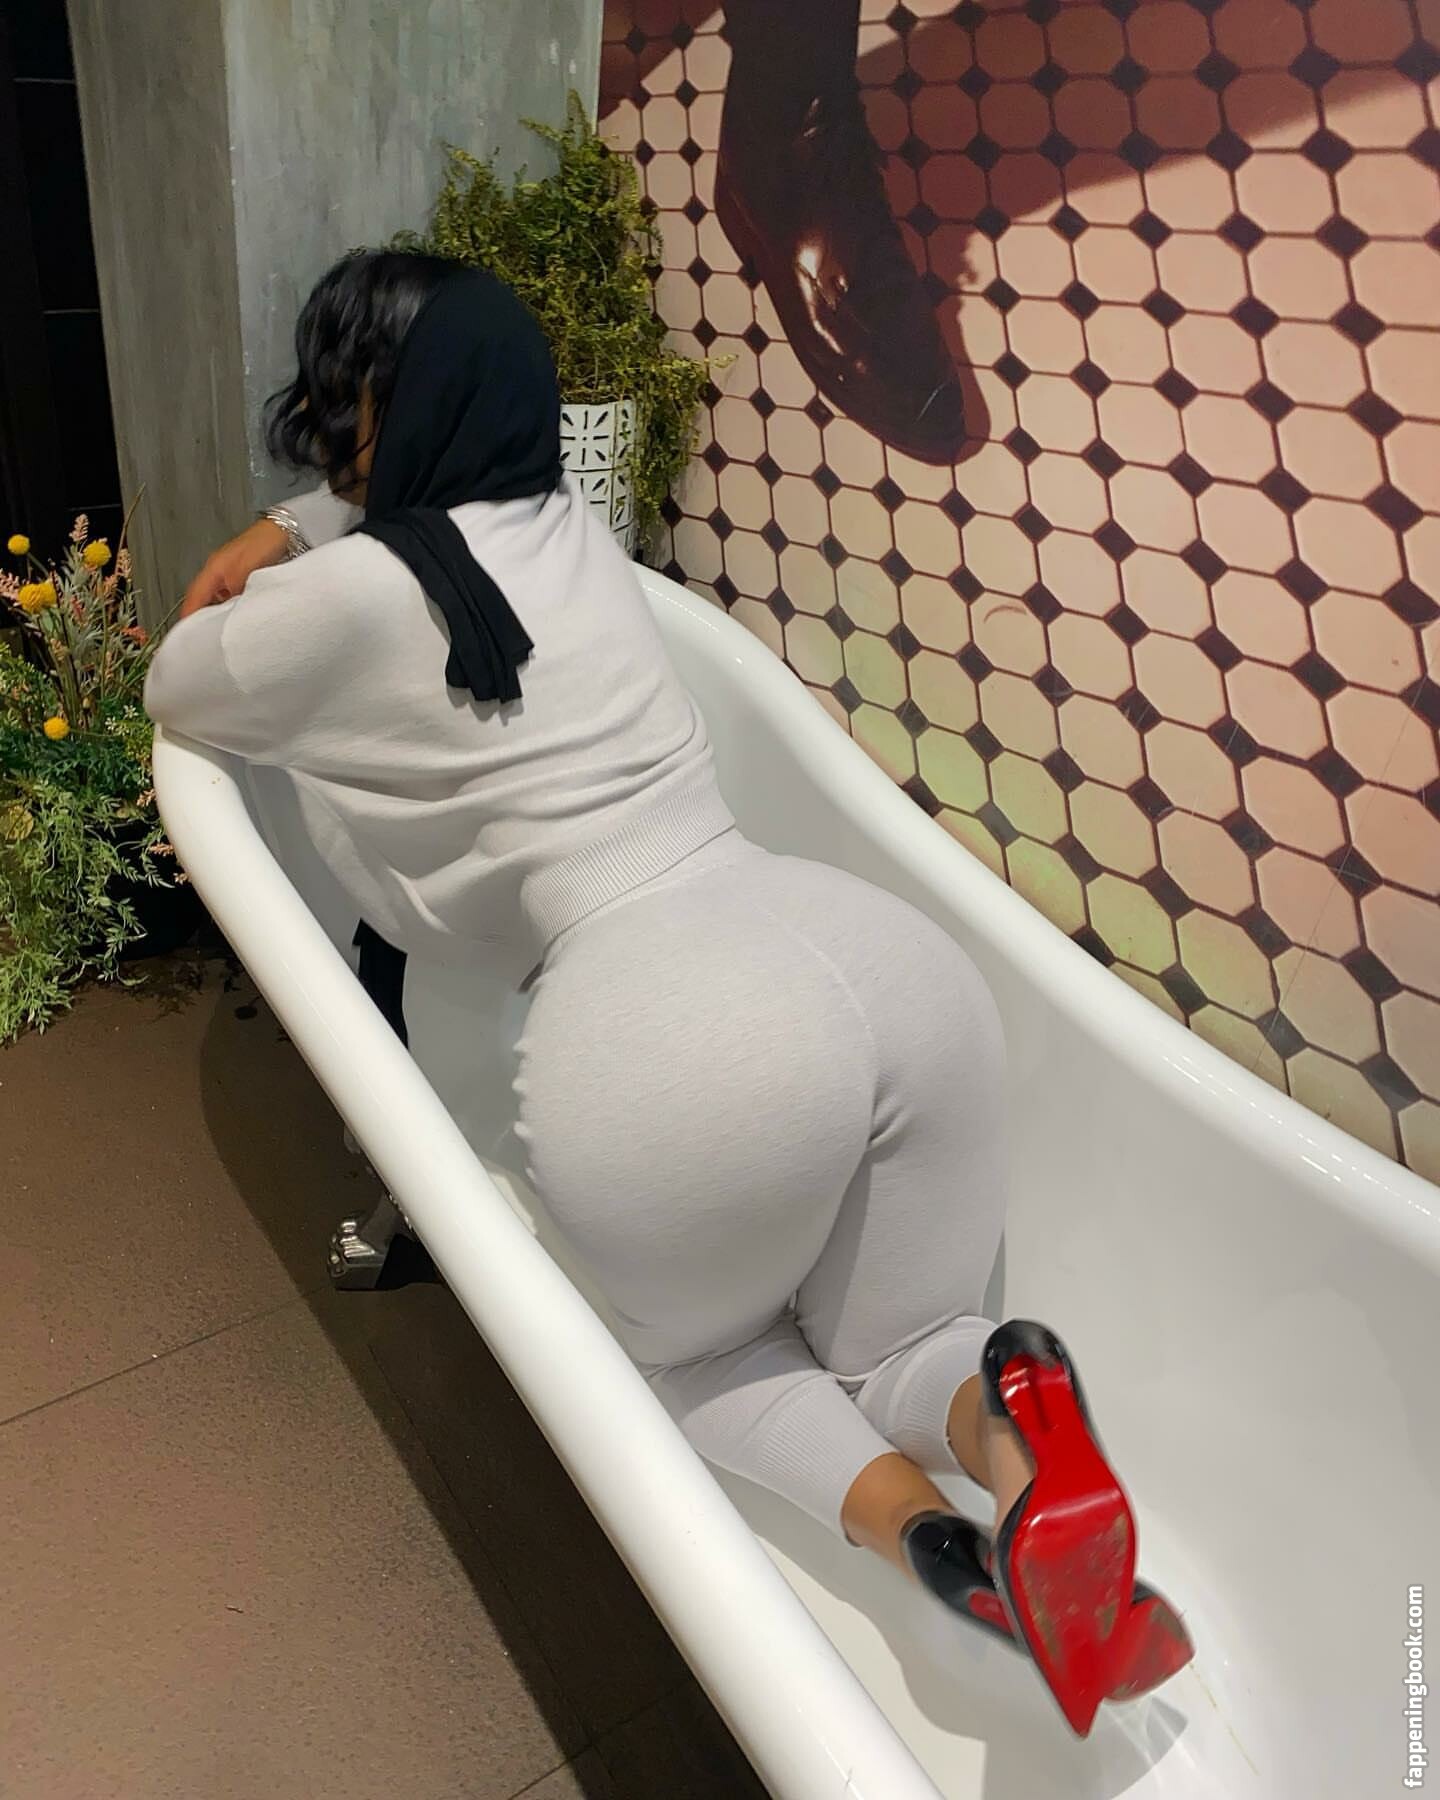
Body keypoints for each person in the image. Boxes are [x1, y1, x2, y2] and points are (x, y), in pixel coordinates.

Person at [148, 249, 1189, 1735]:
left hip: (665, 1032)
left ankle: (917, 1537)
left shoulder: (349, 600)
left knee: (697, 1359)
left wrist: (285, 529)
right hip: (884, 968)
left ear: (370, 404)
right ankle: (1015, 1441)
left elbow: (181, 678)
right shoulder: (567, 525)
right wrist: (328, 514)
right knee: (904, 1344)